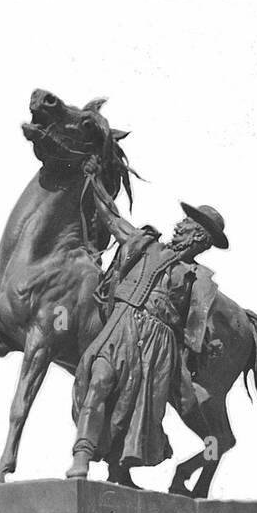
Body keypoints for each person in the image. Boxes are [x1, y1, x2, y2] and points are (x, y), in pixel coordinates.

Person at [66, 158, 229, 483]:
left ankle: (207, 448)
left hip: (158, 343)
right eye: (185, 222)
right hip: (122, 325)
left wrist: (203, 350)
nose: (181, 226)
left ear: (199, 239)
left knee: (142, 409)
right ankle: (81, 458)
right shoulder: (145, 244)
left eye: (190, 225)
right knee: (97, 381)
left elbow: (194, 331)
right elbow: (113, 219)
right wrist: (92, 180)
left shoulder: (198, 280)